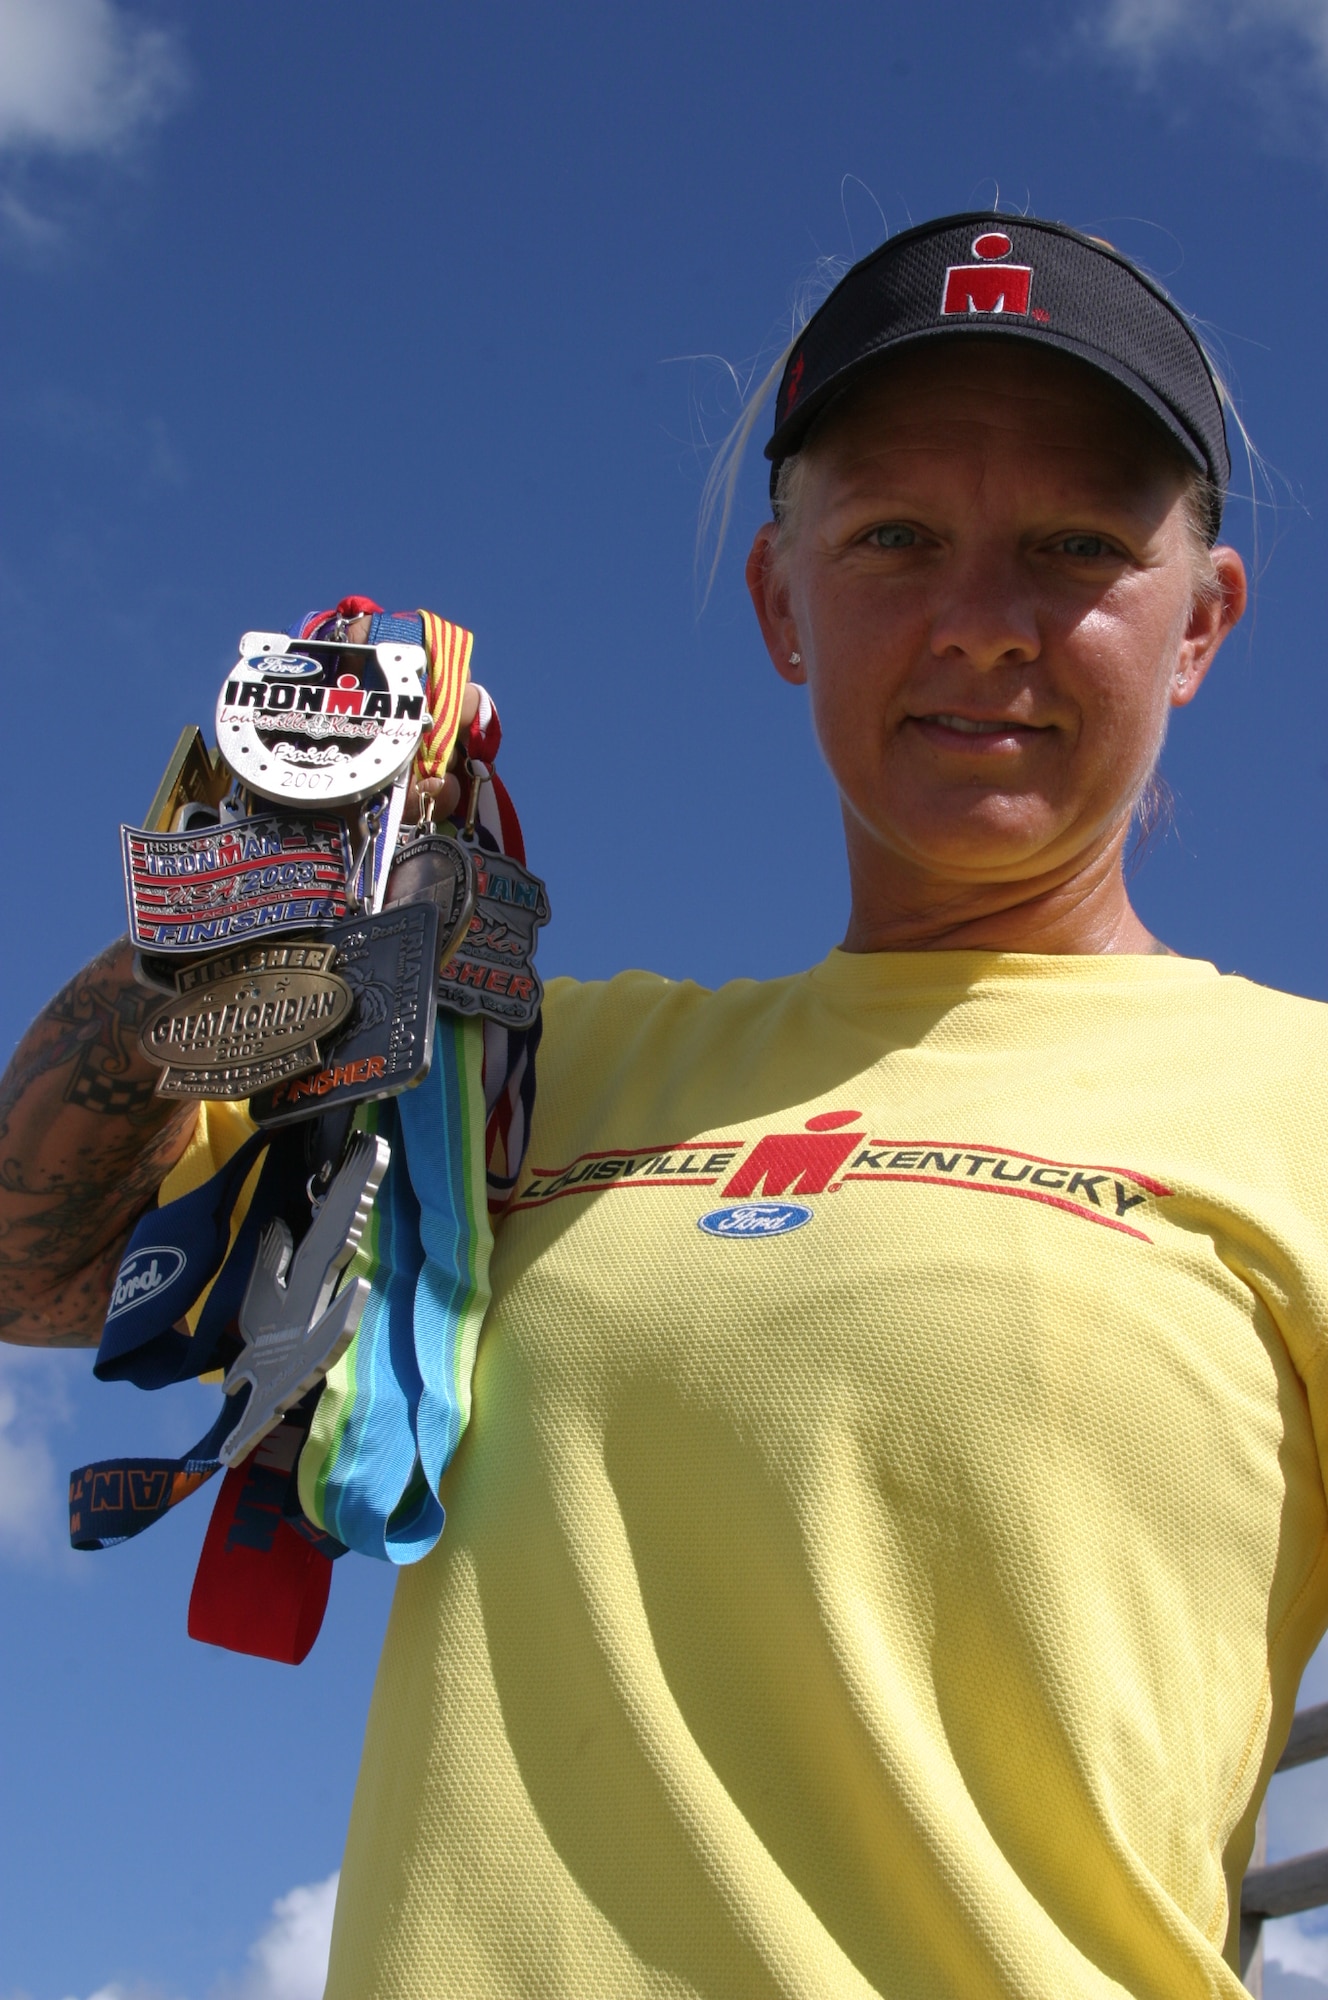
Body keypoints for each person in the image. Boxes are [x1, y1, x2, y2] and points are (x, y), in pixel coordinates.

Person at [2, 211, 1322, 1999]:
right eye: (894, 539)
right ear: (785, 604)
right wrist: (245, 899)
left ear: (1203, 626)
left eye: (1079, 546)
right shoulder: (517, 1060)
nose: (981, 623)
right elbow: (41, 1273)